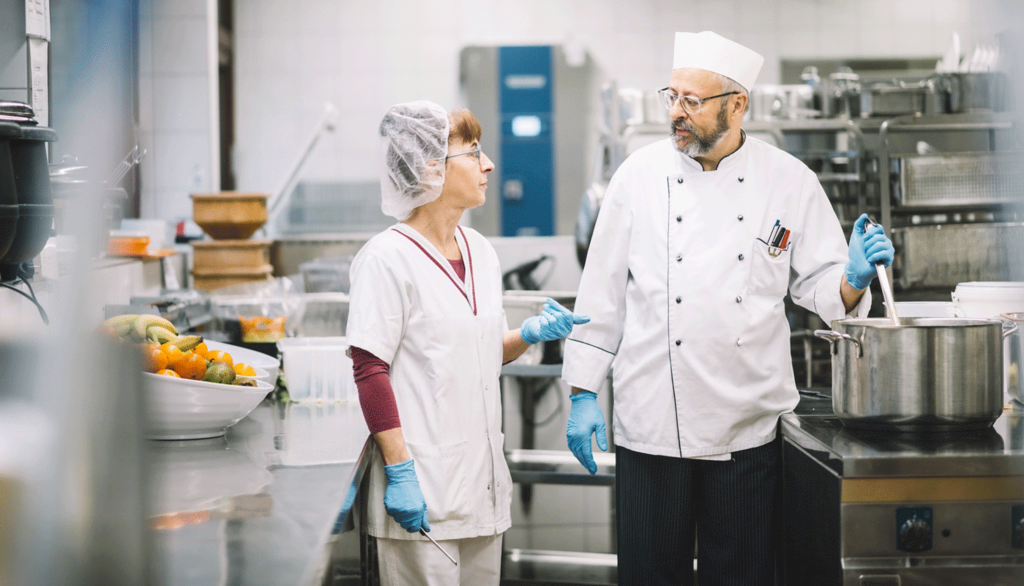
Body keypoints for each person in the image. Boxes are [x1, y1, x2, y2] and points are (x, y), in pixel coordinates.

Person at [561, 32, 894, 586]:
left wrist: (852, 278)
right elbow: (602, 296)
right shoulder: (637, 178)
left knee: (741, 576)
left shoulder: (788, 181)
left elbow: (820, 286)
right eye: (672, 96)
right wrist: (582, 392)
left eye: (692, 101)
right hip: (652, 423)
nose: (677, 112)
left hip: (748, 428)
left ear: (737, 105)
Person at [346, 100, 589, 586]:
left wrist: (527, 335)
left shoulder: (480, 251)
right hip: (423, 492)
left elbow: (478, 354)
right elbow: (369, 370)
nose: (489, 164)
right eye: (474, 151)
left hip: (482, 487)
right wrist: (400, 472)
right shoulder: (386, 259)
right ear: (430, 167)